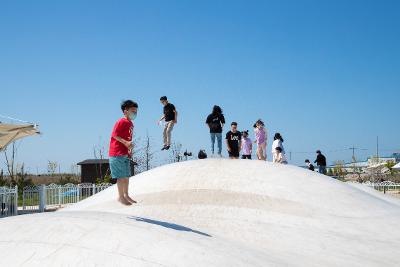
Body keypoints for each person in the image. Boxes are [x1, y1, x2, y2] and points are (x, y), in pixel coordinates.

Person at [109, 100, 138, 206]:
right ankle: (120, 196)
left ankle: (126, 195)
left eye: (136, 111)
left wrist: (129, 147)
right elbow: (114, 135)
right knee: (120, 176)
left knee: (126, 176)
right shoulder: (121, 121)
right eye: (132, 111)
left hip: (125, 153)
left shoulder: (130, 123)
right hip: (117, 153)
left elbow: (128, 138)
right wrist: (126, 142)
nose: (134, 113)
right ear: (125, 111)